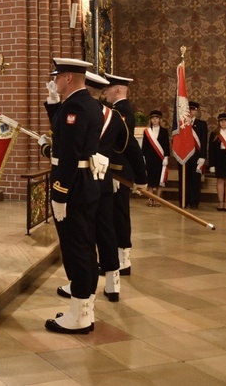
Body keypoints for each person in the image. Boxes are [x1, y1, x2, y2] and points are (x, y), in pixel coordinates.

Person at [48, 72, 147, 304]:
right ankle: (112, 284)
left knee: (86, 236)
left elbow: (71, 147)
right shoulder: (109, 115)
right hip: (103, 179)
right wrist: (138, 175)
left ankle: (83, 287)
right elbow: (128, 146)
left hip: (84, 180)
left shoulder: (85, 111)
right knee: (105, 232)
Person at [38, 58, 102, 334]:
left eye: (58, 76)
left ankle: (78, 316)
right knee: (85, 246)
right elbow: (63, 135)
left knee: (75, 249)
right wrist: (53, 103)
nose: (54, 81)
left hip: (72, 185)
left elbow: (69, 153)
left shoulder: (75, 107)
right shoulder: (88, 104)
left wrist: (60, 193)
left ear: (68, 78)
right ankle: (83, 308)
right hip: (85, 183)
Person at [103, 73, 137, 275]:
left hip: (119, 173)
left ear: (117, 90)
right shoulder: (119, 110)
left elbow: (120, 145)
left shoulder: (121, 112)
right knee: (115, 216)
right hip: (117, 172)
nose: (105, 92)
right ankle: (119, 258)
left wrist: (115, 171)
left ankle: (123, 261)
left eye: (108, 89)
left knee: (119, 216)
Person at [179, 101, 208, 209]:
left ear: (196, 111)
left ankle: (194, 202)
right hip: (184, 156)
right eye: (189, 109)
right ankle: (183, 201)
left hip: (196, 157)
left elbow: (204, 141)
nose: (190, 111)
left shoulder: (201, 124)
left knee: (195, 180)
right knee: (184, 180)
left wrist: (203, 156)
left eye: (193, 109)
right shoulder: (182, 123)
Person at [142, 110, 170, 205]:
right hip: (150, 158)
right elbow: (144, 145)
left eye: (157, 118)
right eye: (153, 118)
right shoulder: (147, 132)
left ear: (160, 119)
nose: (154, 120)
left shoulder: (164, 131)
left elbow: (166, 145)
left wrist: (166, 157)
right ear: (150, 120)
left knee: (159, 180)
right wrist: (143, 157)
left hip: (160, 159)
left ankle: (158, 199)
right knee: (150, 180)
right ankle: (151, 199)